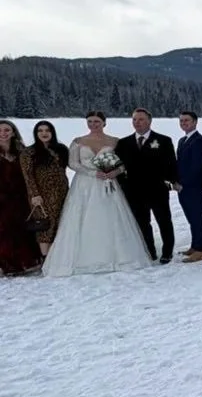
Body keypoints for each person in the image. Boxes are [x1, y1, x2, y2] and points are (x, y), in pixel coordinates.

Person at [42, 111, 153, 278]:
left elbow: (124, 163)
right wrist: (92, 173)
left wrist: (115, 172)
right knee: (82, 218)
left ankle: (116, 256)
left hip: (108, 183)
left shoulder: (115, 142)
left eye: (97, 121)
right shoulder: (78, 142)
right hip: (84, 185)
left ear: (104, 123)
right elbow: (73, 163)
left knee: (110, 217)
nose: (93, 124)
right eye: (90, 121)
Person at [115, 107, 178, 263]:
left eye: (141, 119)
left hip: (157, 189)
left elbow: (171, 164)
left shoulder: (163, 140)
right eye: (135, 119)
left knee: (164, 221)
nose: (137, 123)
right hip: (134, 191)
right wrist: (124, 184)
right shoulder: (123, 143)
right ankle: (150, 251)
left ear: (149, 121)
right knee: (142, 223)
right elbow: (119, 166)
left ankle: (167, 251)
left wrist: (172, 182)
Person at [20, 120, 70, 258]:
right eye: (40, 131)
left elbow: (67, 167)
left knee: (61, 223)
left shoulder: (61, 149)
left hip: (62, 192)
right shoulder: (29, 152)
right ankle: (45, 258)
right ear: (36, 133)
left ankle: (57, 257)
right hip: (42, 195)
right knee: (45, 226)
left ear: (52, 132)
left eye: (47, 130)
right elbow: (28, 176)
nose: (44, 133)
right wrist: (35, 195)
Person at [0, 119, 42, 276]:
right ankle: (5, 265)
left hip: (20, 197)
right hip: (2, 198)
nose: (3, 134)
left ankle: (25, 263)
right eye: (0, 131)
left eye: (6, 130)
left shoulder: (22, 152)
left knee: (22, 229)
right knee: (3, 231)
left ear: (13, 132)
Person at [175, 110, 202, 261]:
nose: (184, 123)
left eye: (187, 121)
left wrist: (183, 183)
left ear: (195, 122)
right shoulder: (182, 141)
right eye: (181, 121)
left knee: (197, 216)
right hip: (182, 186)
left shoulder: (199, 141)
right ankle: (195, 245)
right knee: (191, 217)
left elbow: (196, 167)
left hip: (194, 186)